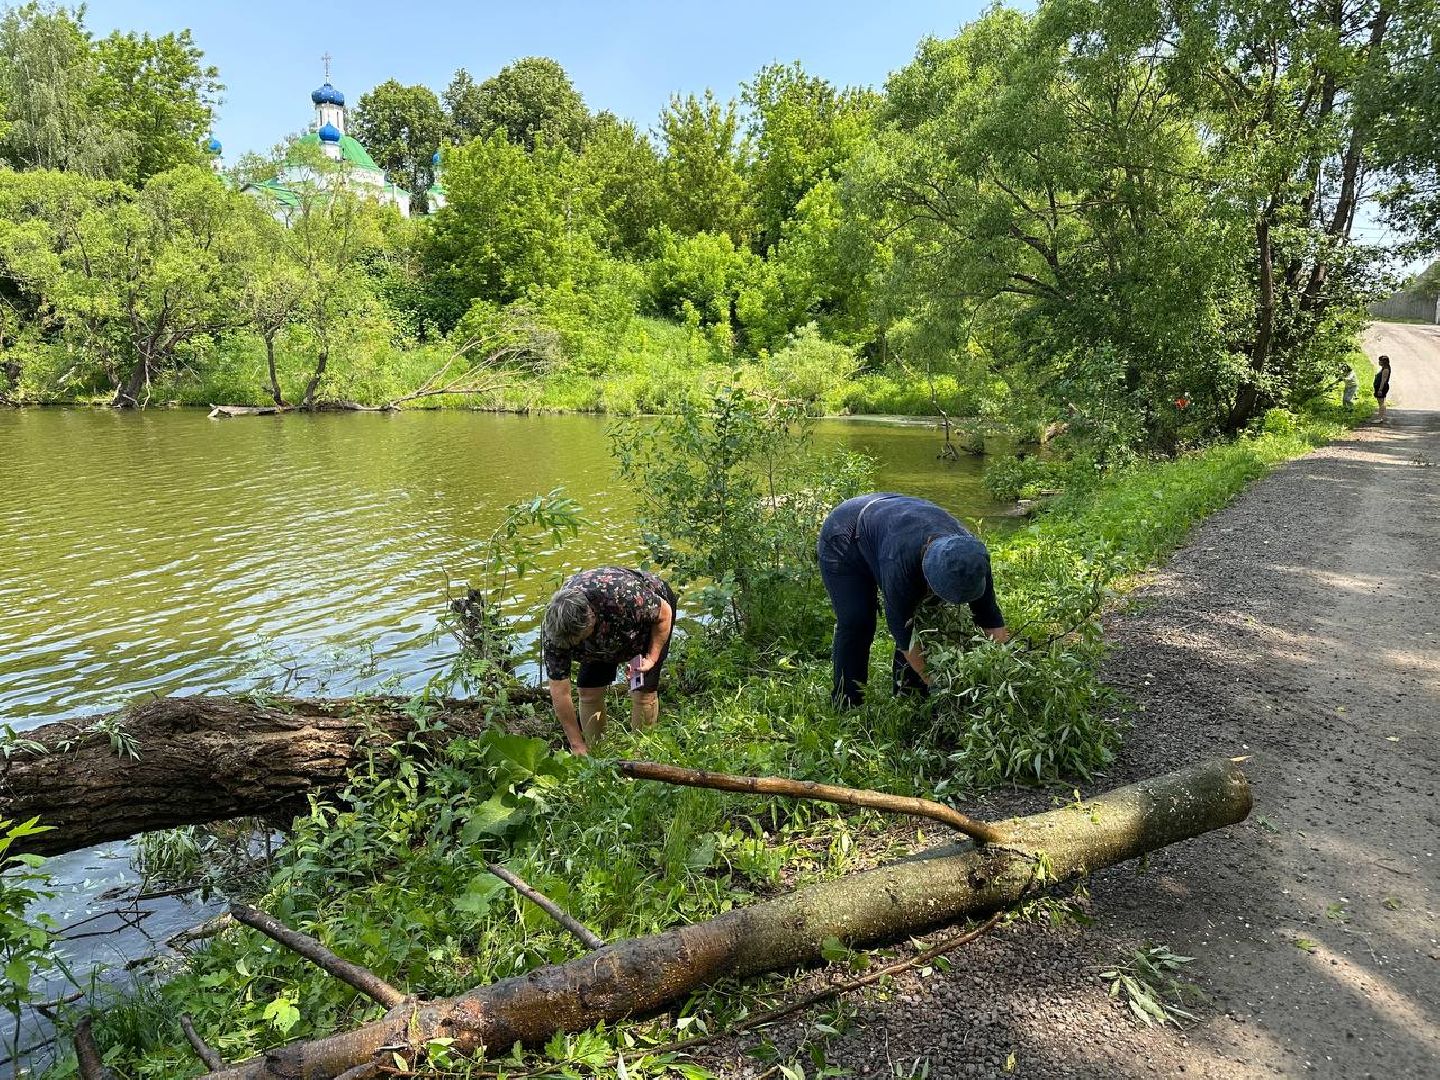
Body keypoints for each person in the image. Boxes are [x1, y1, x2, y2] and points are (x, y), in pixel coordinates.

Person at [818, 493, 1009, 708]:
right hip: (845, 534)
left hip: (891, 519)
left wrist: (1001, 671)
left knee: (924, 623)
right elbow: (903, 632)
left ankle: (909, 701)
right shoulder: (899, 564)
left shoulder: (973, 559)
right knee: (857, 622)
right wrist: (939, 686)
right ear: (927, 561)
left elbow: (990, 617)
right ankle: (847, 704)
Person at [542, 567, 677, 755]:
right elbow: (559, 691)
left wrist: (651, 659)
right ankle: (596, 754)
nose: (575, 646)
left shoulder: (624, 595)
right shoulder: (555, 630)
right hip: (603, 636)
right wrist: (576, 743)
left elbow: (664, 614)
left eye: (579, 640)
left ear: (591, 619)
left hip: (645, 621)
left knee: (642, 691)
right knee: (588, 692)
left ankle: (642, 755)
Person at [1373, 355, 1391, 422]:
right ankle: (1381, 417)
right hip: (1380, 387)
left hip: (1382, 387)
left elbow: (1383, 380)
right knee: (1381, 402)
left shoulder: (1386, 369)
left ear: (1383, 362)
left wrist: (1380, 389)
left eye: (1380, 361)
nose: (1379, 362)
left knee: (1381, 403)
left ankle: (1380, 418)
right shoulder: (1384, 368)